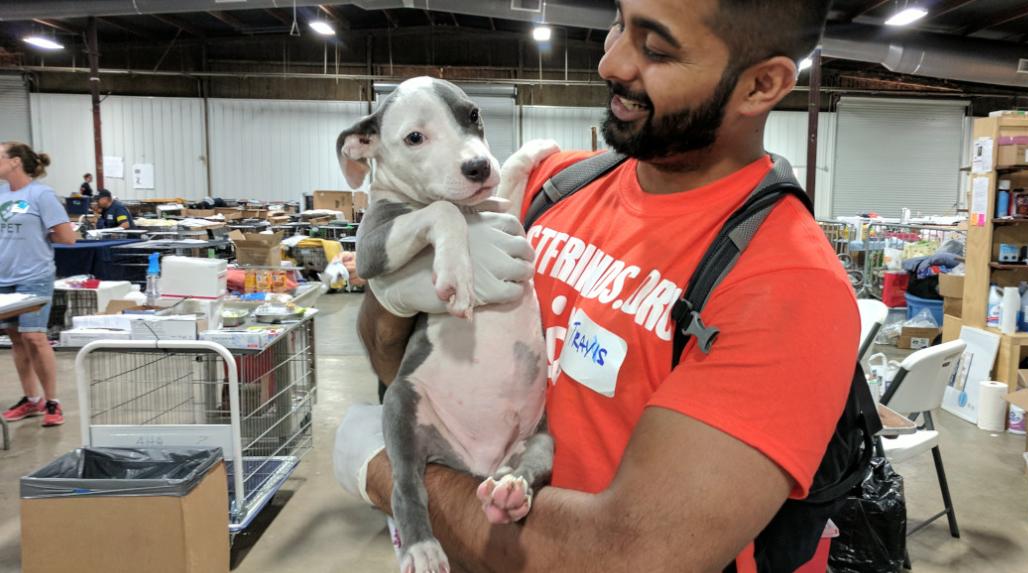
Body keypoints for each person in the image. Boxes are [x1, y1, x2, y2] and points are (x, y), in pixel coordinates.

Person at [336, 1, 855, 571]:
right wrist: (393, 295)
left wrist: (390, 473)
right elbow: (395, 361)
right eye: (618, 24)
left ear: (761, 85)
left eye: (656, 49)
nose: (611, 63)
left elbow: (631, 555)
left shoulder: (787, 287)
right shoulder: (552, 185)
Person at [0, 142, 77, 427]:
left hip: (34, 276)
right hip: (3, 278)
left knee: (34, 337)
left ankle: (52, 401)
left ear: (15, 161)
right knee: (17, 339)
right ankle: (32, 400)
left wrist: (37, 238)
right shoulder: (1, 194)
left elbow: (67, 237)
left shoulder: (42, 195)